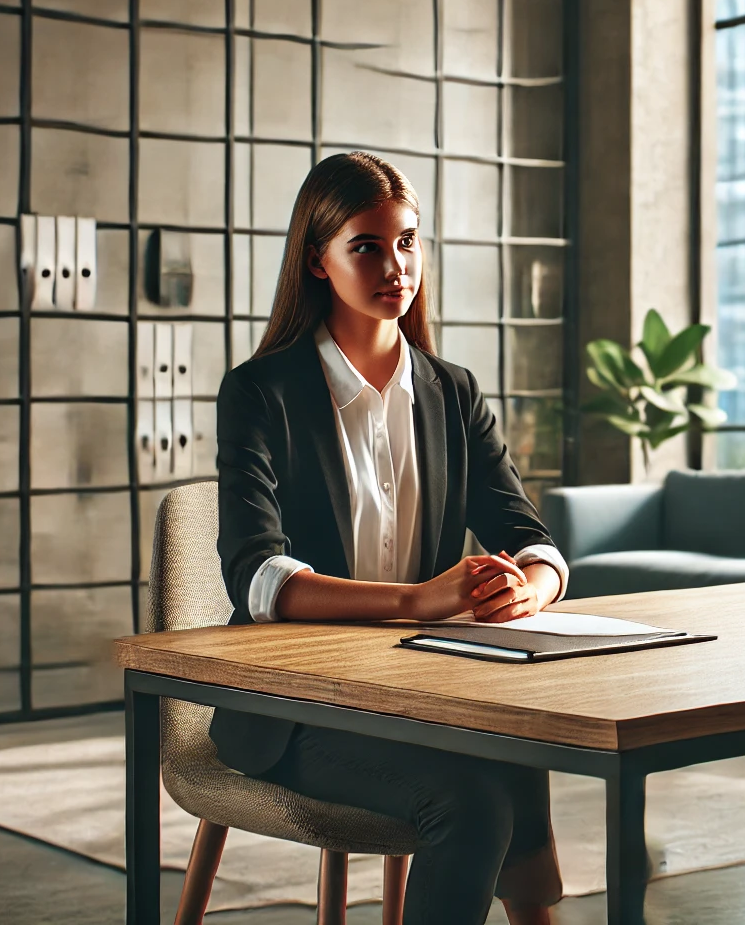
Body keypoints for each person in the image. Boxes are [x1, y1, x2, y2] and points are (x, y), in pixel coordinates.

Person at [212, 151, 569, 925]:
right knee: (474, 800)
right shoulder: (259, 392)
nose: (395, 264)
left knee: (522, 744)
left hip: (425, 691)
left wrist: (524, 588)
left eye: (407, 241)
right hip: (296, 709)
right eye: (366, 246)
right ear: (318, 260)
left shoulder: (453, 392)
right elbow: (257, 576)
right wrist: (420, 598)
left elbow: (532, 538)